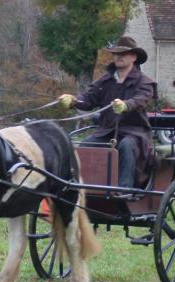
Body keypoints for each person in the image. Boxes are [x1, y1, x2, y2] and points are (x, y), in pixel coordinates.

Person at [59, 36, 155, 188]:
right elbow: (89, 99)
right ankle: (84, 189)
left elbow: (141, 99)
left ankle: (124, 190)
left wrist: (126, 105)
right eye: (116, 53)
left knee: (126, 145)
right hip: (106, 132)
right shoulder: (105, 80)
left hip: (135, 133)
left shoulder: (145, 82)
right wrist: (74, 101)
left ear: (134, 57)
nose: (118, 57)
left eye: (123, 53)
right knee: (86, 145)